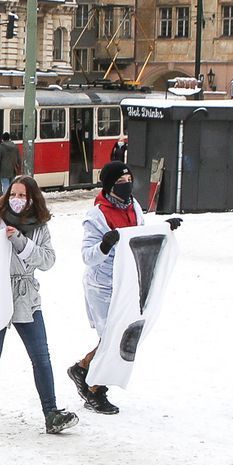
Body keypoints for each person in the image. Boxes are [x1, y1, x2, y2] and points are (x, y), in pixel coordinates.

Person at [0, 176, 78, 436]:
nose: (16, 199)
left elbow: (48, 260)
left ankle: (51, 413)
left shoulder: (40, 227)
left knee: (41, 357)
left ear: (31, 199)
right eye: (13, 194)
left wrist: (21, 243)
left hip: (27, 297)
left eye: (22, 195)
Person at [68, 162, 178, 415]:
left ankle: (83, 368)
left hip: (128, 281)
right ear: (109, 185)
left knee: (118, 336)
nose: (127, 183)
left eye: (129, 178)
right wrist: (105, 246)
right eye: (121, 180)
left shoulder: (134, 207)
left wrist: (165, 227)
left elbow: (142, 235)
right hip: (103, 285)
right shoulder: (96, 215)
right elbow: (88, 256)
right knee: (112, 339)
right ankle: (95, 390)